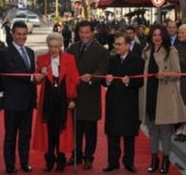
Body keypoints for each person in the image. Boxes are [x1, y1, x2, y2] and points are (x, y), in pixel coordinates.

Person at [139, 24, 186, 174]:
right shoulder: (146, 51)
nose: (157, 37)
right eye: (154, 35)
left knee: (165, 132)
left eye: (159, 35)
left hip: (165, 96)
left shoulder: (171, 51)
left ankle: (166, 160)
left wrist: (166, 75)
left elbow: (178, 73)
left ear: (164, 36)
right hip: (149, 95)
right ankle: (154, 160)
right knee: (152, 131)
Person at [33, 33, 79, 172]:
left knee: (61, 131)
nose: (53, 50)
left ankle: (61, 160)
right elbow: (36, 79)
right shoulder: (42, 59)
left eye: (56, 47)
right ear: (48, 46)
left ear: (61, 46)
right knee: (48, 132)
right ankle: (49, 161)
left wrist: (72, 99)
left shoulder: (69, 59)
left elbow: (74, 80)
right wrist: (41, 72)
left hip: (63, 101)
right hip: (47, 102)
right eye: (51, 47)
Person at [67, 20, 109, 170]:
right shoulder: (71, 48)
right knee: (75, 130)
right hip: (74, 95)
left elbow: (102, 71)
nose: (84, 35)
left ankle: (89, 157)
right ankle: (76, 155)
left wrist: (91, 77)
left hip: (91, 95)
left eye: (87, 32)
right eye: (81, 32)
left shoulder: (101, 51)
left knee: (90, 131)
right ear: (78, 33)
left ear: (92, 33)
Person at [102, 32, 144, 173]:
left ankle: (129, 162)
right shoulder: (112, 59)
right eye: (115, 44)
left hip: (129, 103)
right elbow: (104, 80)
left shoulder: (137, 60)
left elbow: (140, 82)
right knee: (112, 135)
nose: (116, 46)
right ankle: (112, 162)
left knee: (129, 136)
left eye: (119, 44)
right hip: (113, 101)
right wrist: (107, 80)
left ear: (127, 45)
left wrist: (129, 82)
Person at [0, 21, 36, 174]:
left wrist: (34, 98)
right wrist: (34, 78)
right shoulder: (5, 53)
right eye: (18, 34)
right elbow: (15, 73)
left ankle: (25, 163)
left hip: (27, 102)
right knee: (10, 137)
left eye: (24, 34)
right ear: (12, 34)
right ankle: (10, 165)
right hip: (12, 102)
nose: (22, 37)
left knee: (25, 136)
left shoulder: (30, 52)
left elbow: (31, 74)